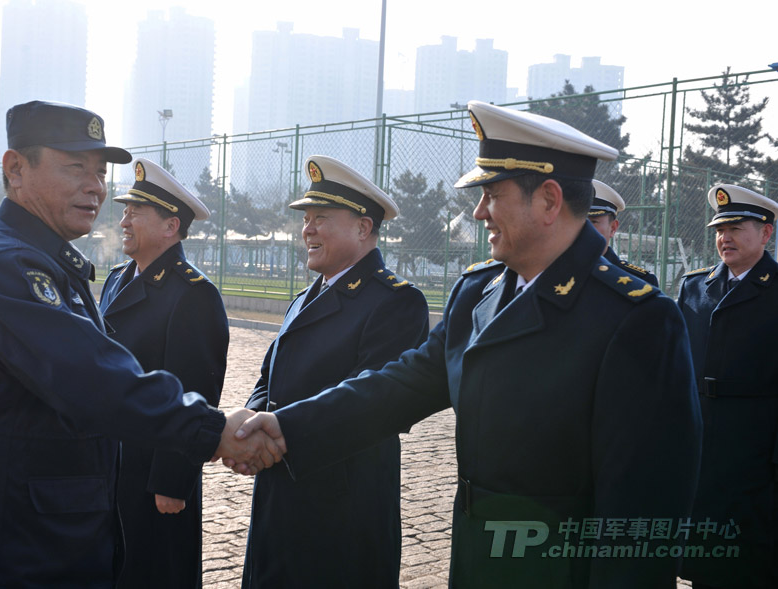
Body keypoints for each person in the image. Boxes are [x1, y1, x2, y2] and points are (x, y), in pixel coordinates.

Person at [230, 101, 702, 588]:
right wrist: (287, 426)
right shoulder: (479, 294)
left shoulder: (636, 318)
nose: (479, 213)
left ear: (548, 199)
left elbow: (646, 509)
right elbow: (402, 384)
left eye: (492, 195)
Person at [0, 100, 281, 588]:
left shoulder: (44, 260)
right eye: (75, 167)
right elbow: (92, 378)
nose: (96, 187)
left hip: (29, 534)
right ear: (15, 169)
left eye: (101, 173)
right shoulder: (6, 266)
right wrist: (211, 430)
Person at [240, 154, 429, 588]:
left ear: (363, 228)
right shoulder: (306, 297)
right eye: (306, 218)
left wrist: (280, 430)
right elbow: (269, 375)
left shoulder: (395, 302)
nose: (307, 229)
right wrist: (252, 426)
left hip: (341, 511)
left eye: (321, 217)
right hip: (278, 496)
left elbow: (375, 401)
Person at [99, 158, 229, 588]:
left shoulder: (192, 295)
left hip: (152, 479)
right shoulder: (117, 279)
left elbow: (196, 391)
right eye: (125, 210)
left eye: (136, 211)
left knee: (155, 573)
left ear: (171, 226)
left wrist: (172, 481)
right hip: (106, 466)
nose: (124, 220)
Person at [677, 184, 778, 589]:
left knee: (754, 554)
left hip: (757, 443)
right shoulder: (694, 286)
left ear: (766, 233)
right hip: (703, 439)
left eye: (736, 227)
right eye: (720, 229)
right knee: (706, 551)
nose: (725, 237)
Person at [588, 179, 658, 286]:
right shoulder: (555, 271)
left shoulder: (640, 281)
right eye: (577, 222)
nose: (584, 228)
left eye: (593, 222)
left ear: (613, 228)